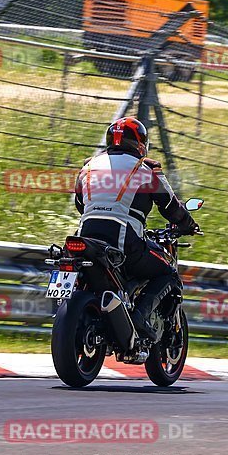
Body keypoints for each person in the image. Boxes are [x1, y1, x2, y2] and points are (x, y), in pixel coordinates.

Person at [73, 117, 200, 341]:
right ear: (141, 143)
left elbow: (80, 204)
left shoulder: (88, 166)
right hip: (124, 242)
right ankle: (140, 317)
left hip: (85, 236)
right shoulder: (146, 169)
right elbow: (170, 207)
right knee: (168, 272)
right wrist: (188, 224)